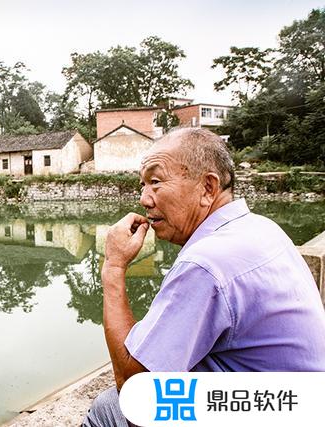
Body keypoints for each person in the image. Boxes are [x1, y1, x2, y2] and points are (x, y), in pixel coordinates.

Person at [83, 128, 325, 427]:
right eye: (142, 185)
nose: (144, 199)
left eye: (155, 182)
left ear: (208, 188)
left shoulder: (206, 263)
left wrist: (114, 267)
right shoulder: (261, 227)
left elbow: (138, 393)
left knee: (110, 408)